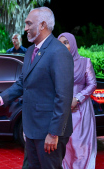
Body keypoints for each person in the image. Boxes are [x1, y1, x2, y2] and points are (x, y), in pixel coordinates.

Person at [0, 7, 74, 168]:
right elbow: (23, 83)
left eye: (29, 23)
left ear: (42, 25)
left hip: (49, 131)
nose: (25, 28)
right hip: (32, 129)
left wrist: (53, 133)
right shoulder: (30, 51)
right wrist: (0, 98)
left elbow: (63, 96)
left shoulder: (59, 52)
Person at [58, 32, 97, 169]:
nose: (63, 46)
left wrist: (77, 99)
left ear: (73, 44)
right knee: (65, 144)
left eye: (66, 42)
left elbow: (92, 84)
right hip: (62, 109)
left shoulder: (85, 62)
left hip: (81, 110)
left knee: (80, 144)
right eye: (60, 43)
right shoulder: (56, 64)